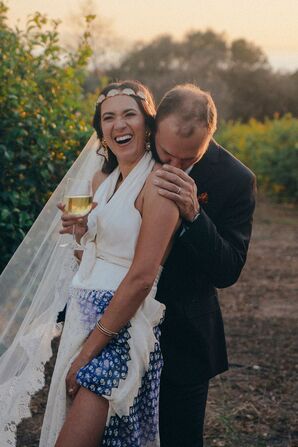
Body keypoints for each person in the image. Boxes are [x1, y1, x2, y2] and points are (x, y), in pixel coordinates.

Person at [0, 80, 180, 447]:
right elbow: (95, 256)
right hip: (84, 314)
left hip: (120, 326)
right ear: (101, 131)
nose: (119, 125)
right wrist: (82, 233)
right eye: (108, 118)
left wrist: (88, 351)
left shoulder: (158, 184)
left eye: (129, 114)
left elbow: (143, 277)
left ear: (148, 123)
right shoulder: (105, 180)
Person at [151, 84, 256, 447]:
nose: (174, 167)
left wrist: (195, 215)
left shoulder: (236, 180)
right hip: (120, 327)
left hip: (186, 340)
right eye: (166, 154)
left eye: (188, 158)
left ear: (210, 137)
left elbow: (228, 270)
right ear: (154, 128)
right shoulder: (135, 151)